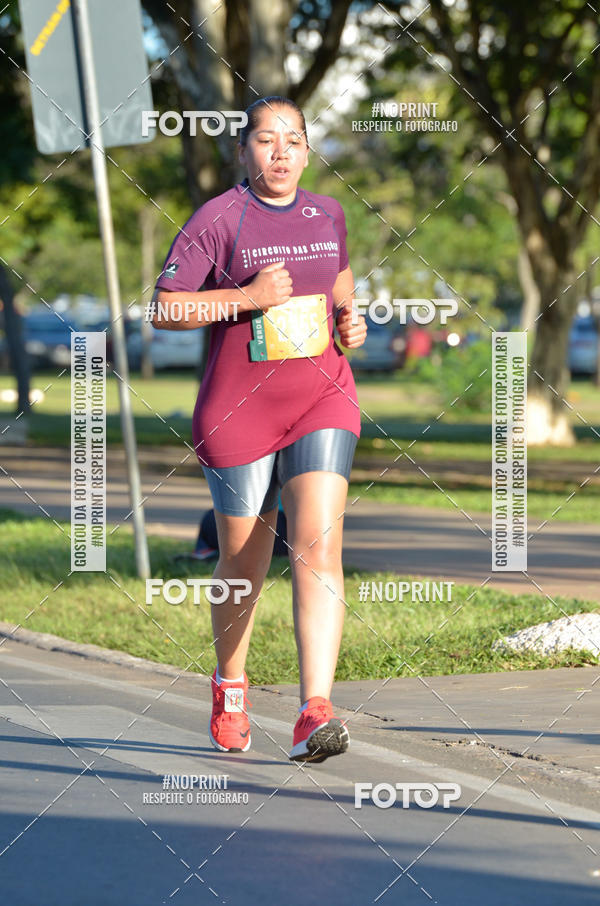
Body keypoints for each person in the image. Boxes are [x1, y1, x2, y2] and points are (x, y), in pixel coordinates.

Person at [152, 95, 367, 763]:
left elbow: (339, 280)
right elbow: (164, 308)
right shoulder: (218, 219)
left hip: (322, 397)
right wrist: (246, 299)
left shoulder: (326, 212)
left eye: (293, 140)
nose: (281, 152)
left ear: (307, 150)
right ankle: (230, 683)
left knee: (316, 548)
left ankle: (314, 709)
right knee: (244, 561)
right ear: (243, 149)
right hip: (238, 410)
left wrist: (350, 321)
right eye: (266, 140)